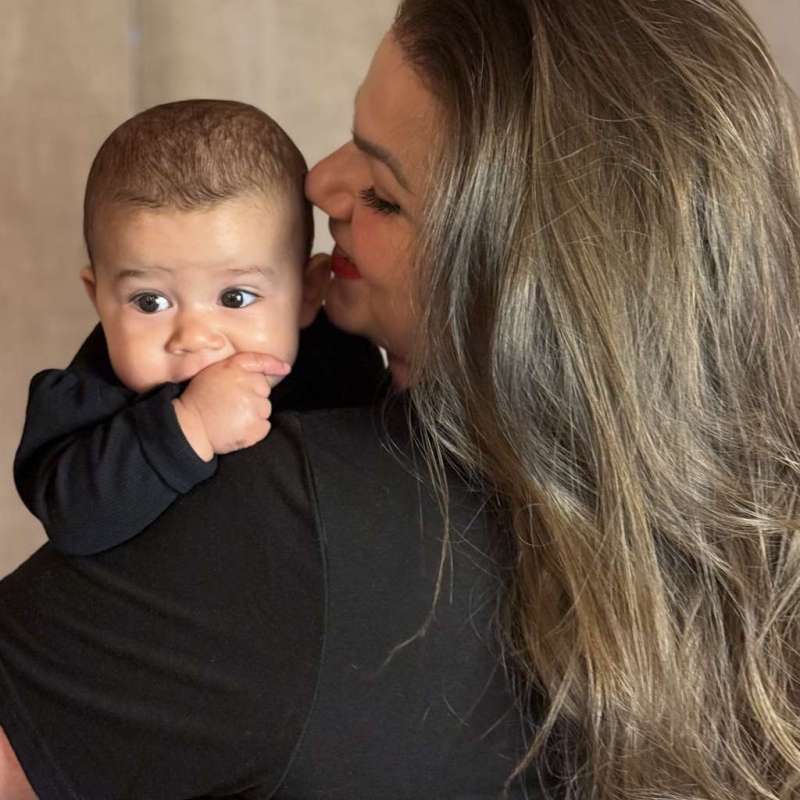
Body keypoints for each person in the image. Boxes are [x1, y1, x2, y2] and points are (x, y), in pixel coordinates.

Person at [2, 0, 800, 797]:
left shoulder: (281, 527)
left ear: (522, 285)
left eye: (383, 194)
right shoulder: (748, 546)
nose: (320, 183)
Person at [12, 99, 385, 556]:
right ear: (100, 300)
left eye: (236, 298)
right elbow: (72, 519)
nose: (193, 336)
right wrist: (189, 425)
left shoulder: (340, 363)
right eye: (150, 302)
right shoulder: (87, 402)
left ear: (308, 293)